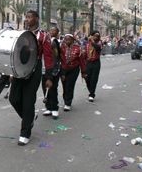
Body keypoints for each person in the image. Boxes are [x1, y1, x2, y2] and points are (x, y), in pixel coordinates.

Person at [9, 11, 54, 146]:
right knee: (13, 98)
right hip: (20, 68)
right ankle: (29, 117)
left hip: (35, 69)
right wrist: (12, 72)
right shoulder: (21, 34)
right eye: (26, 17)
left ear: (37, 18)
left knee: (29, 100)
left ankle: (25, 132)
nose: (27, 19)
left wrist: (49, 77)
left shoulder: (44, 36)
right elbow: (15, 52)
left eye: (29, 17)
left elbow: (48, 57)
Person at [42, 26, 66, 119]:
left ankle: (54, 108)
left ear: (57, 33)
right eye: (51, 30)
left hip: (55, 69)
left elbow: (61, 58)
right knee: (45, 88)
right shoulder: (46, 42)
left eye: (54, 30)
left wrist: (62, 71)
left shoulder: (59, 43)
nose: (52, 31)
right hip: (45, 68)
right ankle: (48, 107)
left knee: (53, 88)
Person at [60, 34, 86, 112]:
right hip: (63, 70)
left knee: (69, 85)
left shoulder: (77, 48)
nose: (67, 41)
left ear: (72, 40)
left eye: (69, 40)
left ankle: (68, 103)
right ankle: (65, 99)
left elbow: (81, 60)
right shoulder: (62, 48)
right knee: (64, 86)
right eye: (66, 39)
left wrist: (83, 71)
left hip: (73, 69)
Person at [84, 30, 103, 102]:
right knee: (87, 78)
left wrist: (93, 41)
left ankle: (92, 94)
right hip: (88, 62)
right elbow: (85, 53)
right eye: (94, 36)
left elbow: (98, 48)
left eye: (97, 36)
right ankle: (90, 90)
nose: (95, 37)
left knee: (94, 79)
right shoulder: (87, 44)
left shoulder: (99, 43)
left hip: (96, 62)